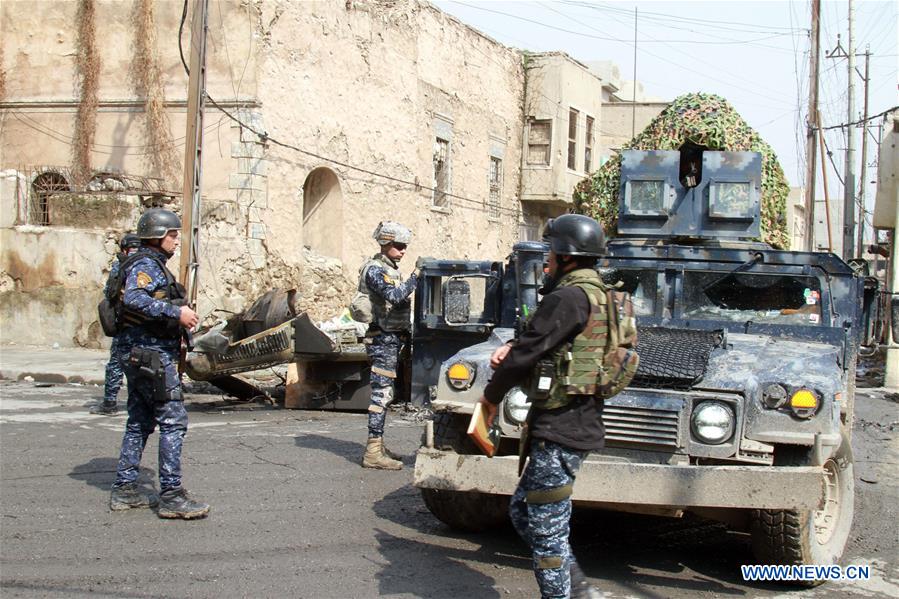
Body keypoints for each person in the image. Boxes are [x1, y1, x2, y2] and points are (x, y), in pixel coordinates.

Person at [478, 214, 607, 599]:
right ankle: (580, 588)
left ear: (567, 256)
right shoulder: (602, 295)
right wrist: (516, 345)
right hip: (578, 423)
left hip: (562, 426)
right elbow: (546, 342)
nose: (546, 262)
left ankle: (565, 594)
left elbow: (528, 354)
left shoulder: (567, 297)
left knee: (548, 533)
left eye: (550, 253)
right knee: (524, 512)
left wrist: (490, 398)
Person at [108, 208, 209, 519]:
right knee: (173, 420)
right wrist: (175, 313)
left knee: (139, 419)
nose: (177, 240)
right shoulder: (145, 265)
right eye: (172, 234)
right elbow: (135, 299)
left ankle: (125, 488)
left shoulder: (140, 263)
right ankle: (171, 494)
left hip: (139, 352)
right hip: (150, 354)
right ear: (157, 236)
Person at [358, 221, 418, 470]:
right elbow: (394, 296)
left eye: (405, 247)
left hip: (391, 339)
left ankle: (378, 444)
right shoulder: (374, 270)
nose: (403, 251)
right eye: (400, 246)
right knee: (381, 395)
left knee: (386, 394)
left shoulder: (388, 269)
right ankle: (373, 452)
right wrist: (416, 277)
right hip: (382, 339)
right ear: (386, 244)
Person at [91, 233, 141, 416]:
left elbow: (109, 292)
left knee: (116, 363)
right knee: (142, 364)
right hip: (143, 324)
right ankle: (143, 402)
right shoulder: (146, 265)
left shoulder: (121, 266)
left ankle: (110, 402)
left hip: (124, 325)